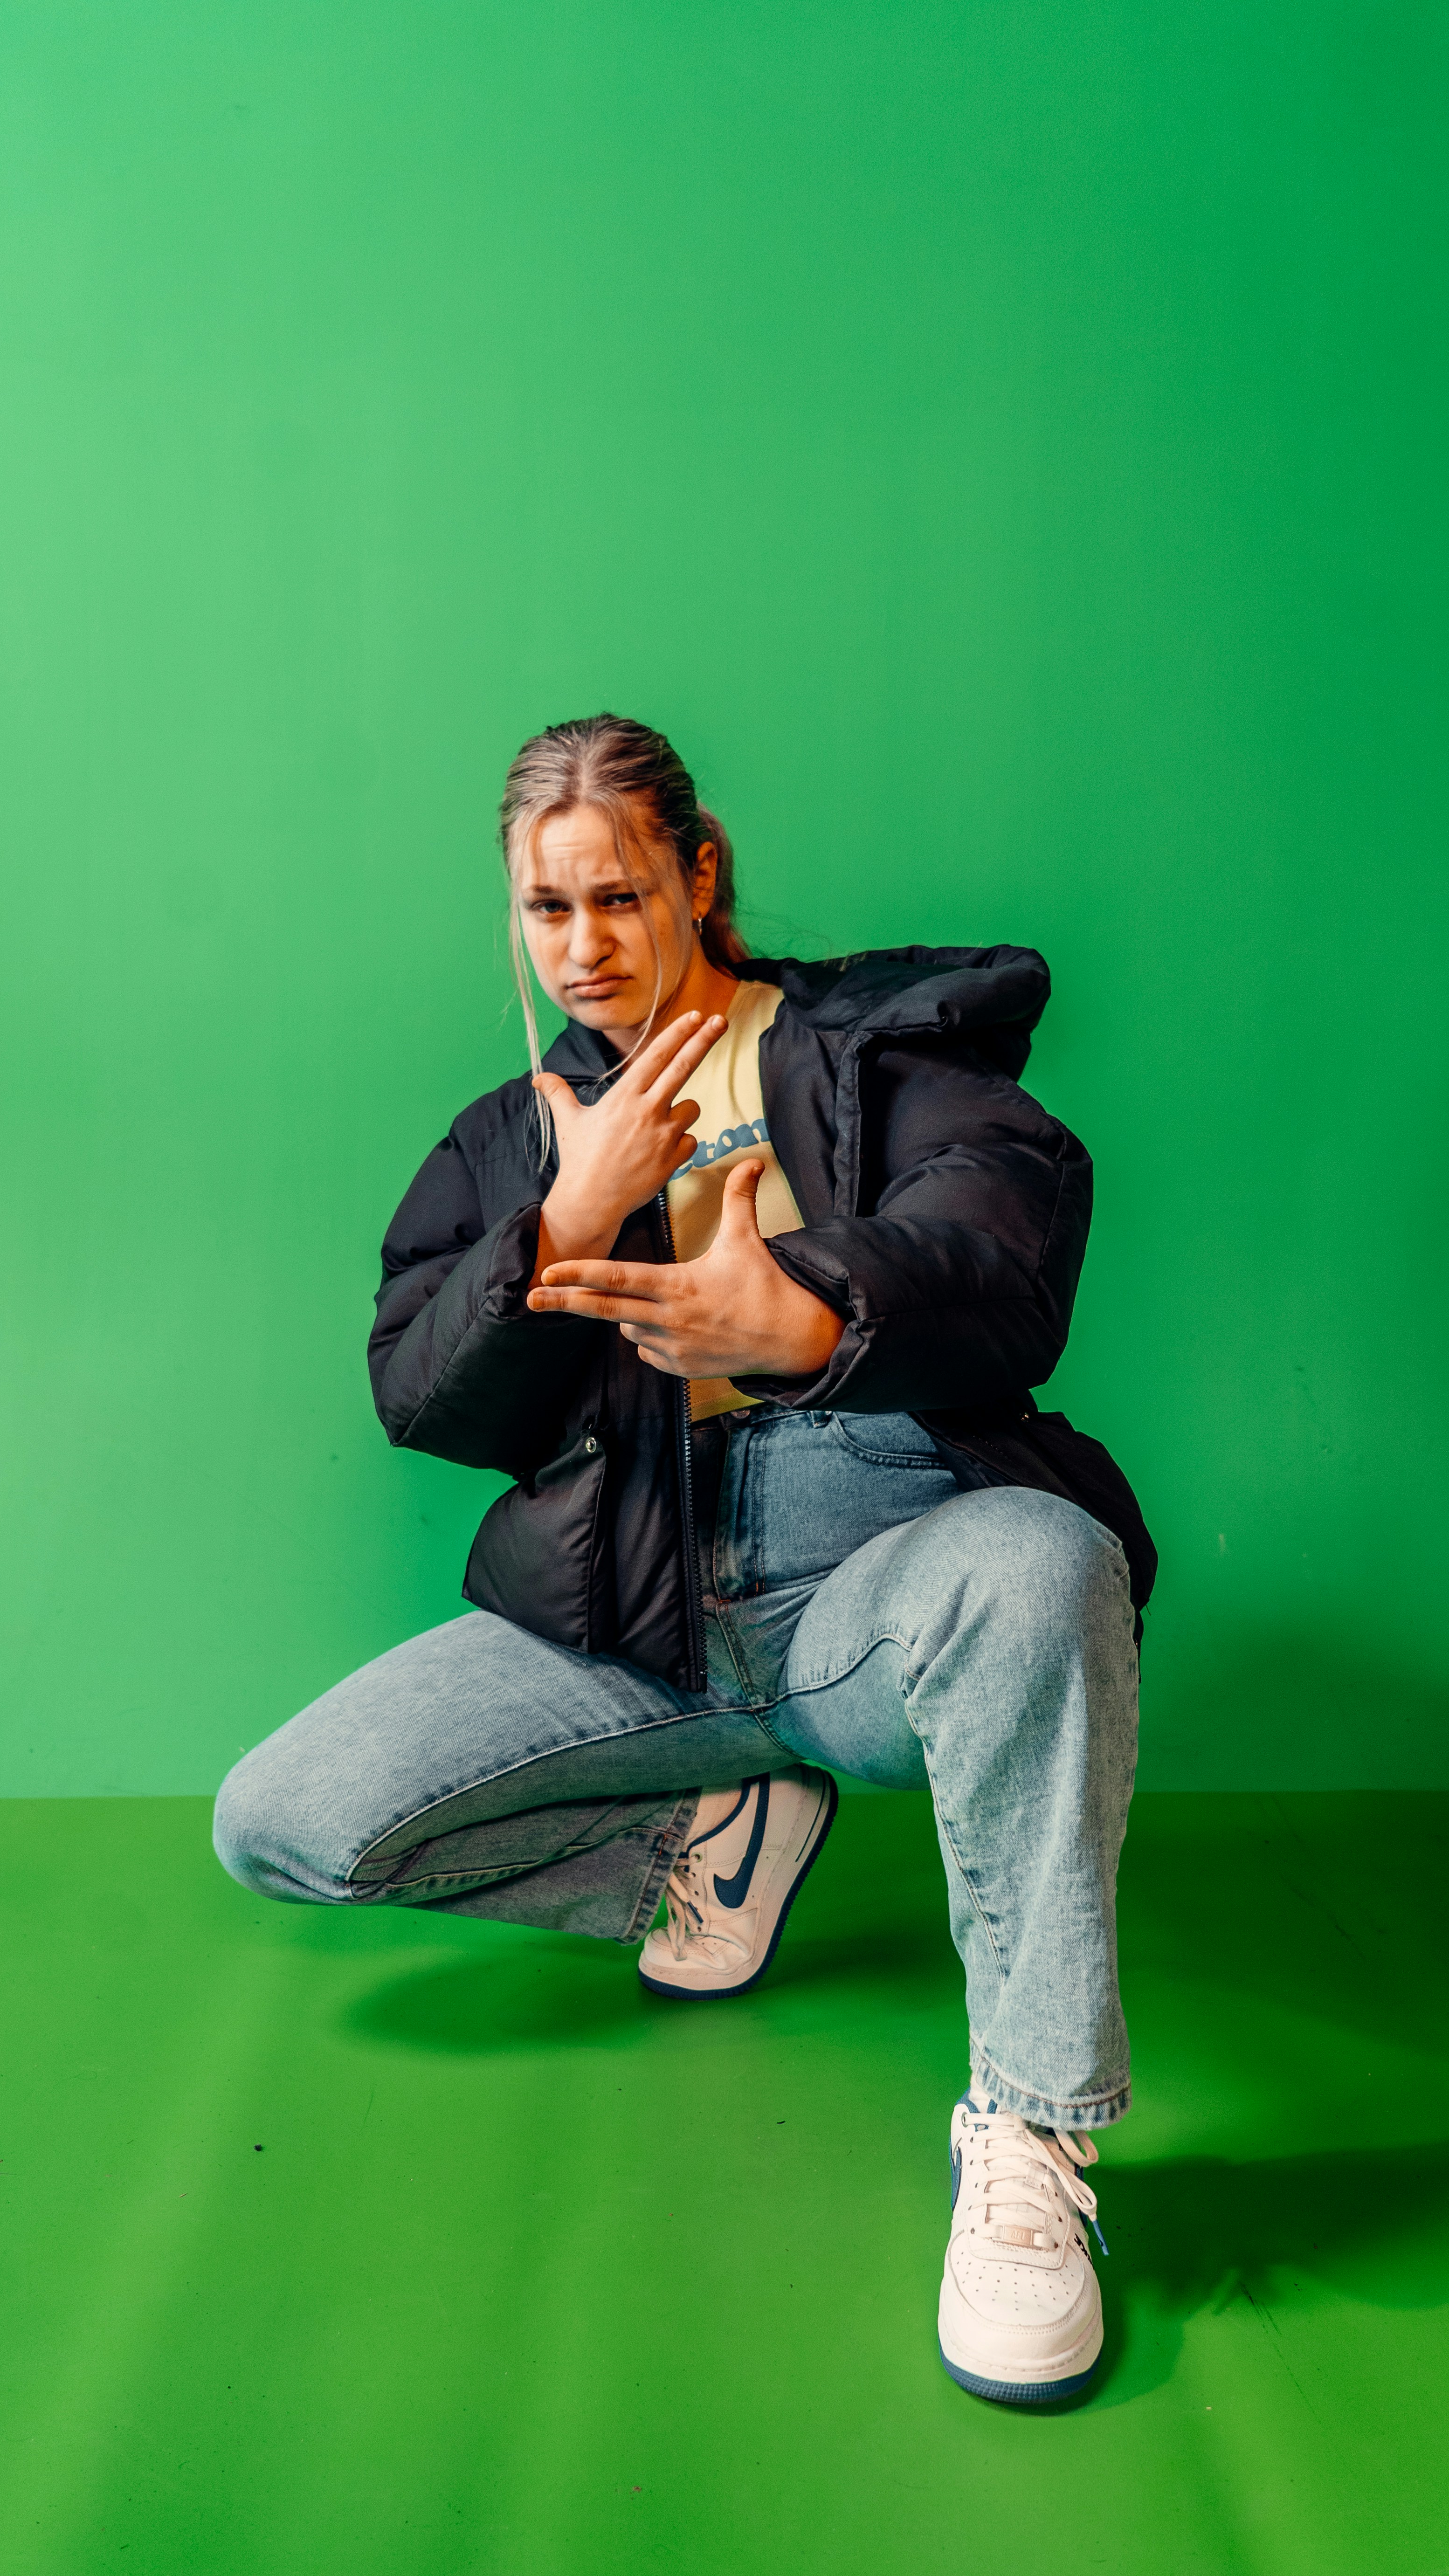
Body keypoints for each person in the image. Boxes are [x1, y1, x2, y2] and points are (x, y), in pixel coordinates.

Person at [214, 714, 1155, 2405]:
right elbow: (416, 1390)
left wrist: (798, 1308)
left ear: (698, 873)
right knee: (284, 1824)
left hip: (875, 1586)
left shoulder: (878, 1054)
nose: (583, 948)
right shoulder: (511, 1138)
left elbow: (1007, 1228)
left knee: (1043, 1562)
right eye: (547, 910)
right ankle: (705, 1839)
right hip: (629, 1618)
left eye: (618, 899)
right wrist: (563, 1226)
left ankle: (1028, 2140)